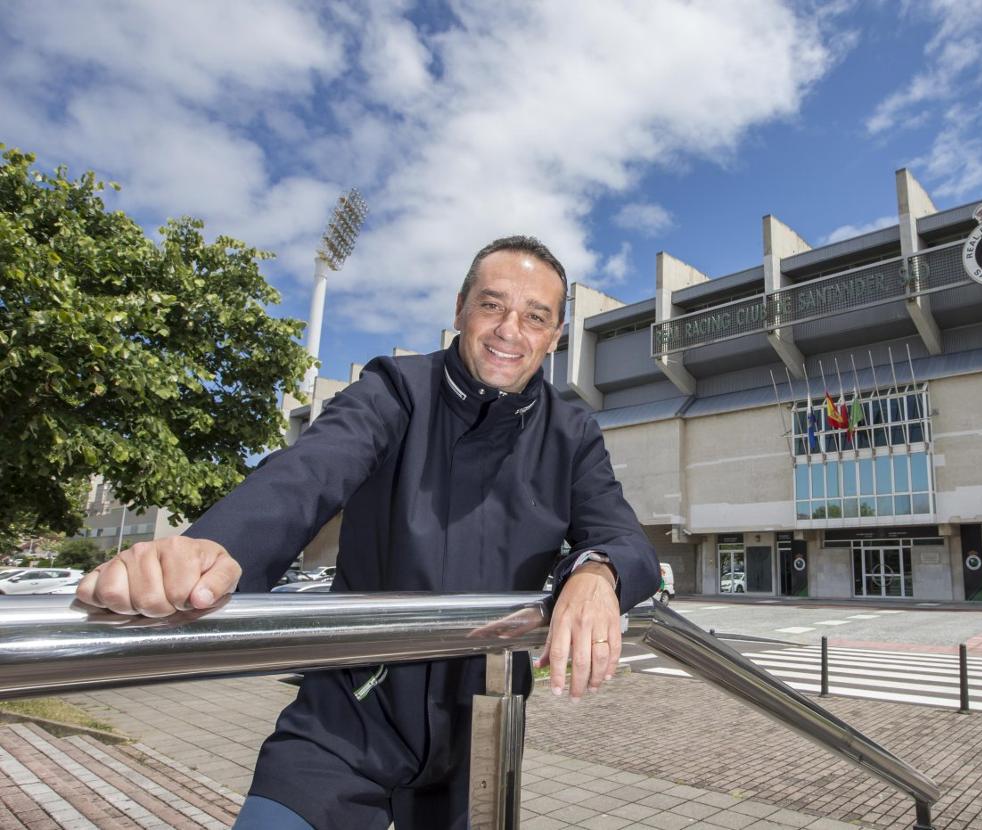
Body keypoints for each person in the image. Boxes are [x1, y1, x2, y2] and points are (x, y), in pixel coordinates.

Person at [75, 235, 661, 829]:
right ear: (460, 308)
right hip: (348, 718)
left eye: (535, 317)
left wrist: (597, 570)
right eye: (492, 305)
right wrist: (217, 547)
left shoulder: (571, 431)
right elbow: (311, 470)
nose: (510, 329)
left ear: (555, 335)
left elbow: (620, 534)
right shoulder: (397, 389)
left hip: (480, 731)